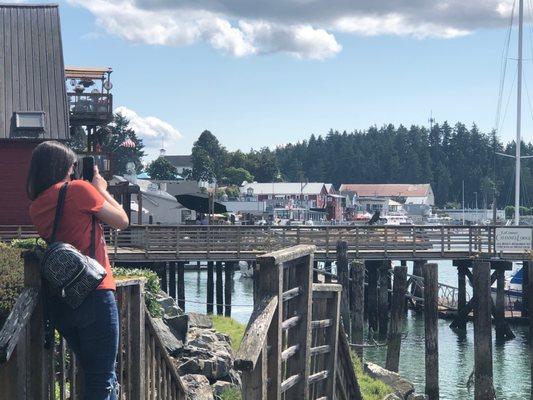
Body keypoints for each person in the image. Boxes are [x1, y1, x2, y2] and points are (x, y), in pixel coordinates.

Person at [27, 141, 129, 400]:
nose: (73, 171)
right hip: (95, 292)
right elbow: (122, 220)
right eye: (72, 166)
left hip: (63, 299)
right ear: (62, 166)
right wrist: (101, 189)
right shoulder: (79, 190)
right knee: (101, 379)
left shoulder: (37, 205)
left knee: (98, 374)